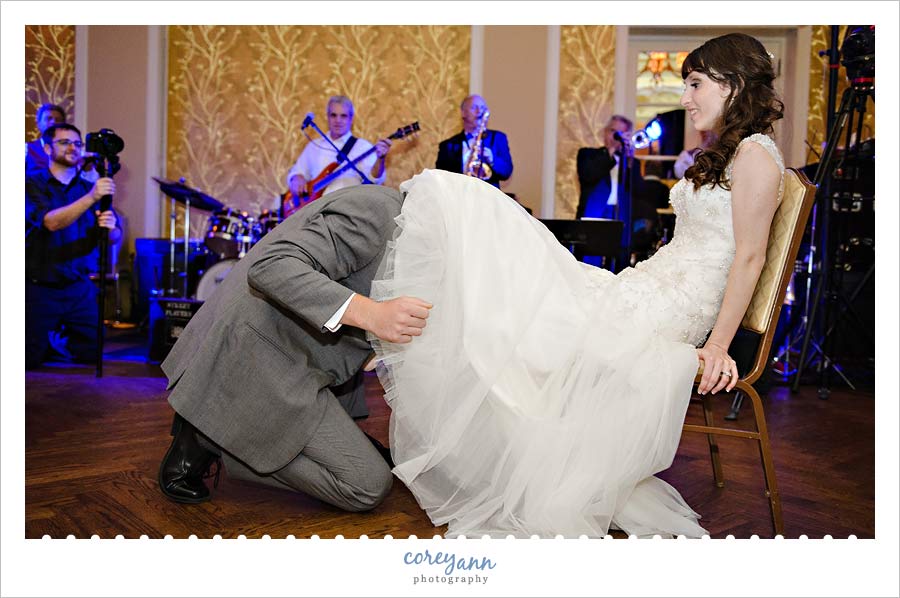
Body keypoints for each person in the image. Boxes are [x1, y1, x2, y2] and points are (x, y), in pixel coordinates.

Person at [369, 33, 785, 538]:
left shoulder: (757, 158)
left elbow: (750, 255)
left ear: (734, 85)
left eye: (695, 84)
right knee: (529, 304)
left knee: (530, 309)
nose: (685, 98)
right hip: (648, 288)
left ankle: (521, 452)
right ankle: (522, 448)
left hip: (671, 312)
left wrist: (718, 345)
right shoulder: (732, 151)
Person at [157, 185, 432, 512]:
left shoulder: (420, 242)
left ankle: (225, 425)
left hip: (311, 356)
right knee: (367, 486)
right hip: (259, 348)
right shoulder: (378, 210)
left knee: (376, 461)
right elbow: (272, 267)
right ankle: (208, 433)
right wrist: (372, 315)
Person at [25, 123, 121, 369]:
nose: (73, 148)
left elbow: (113, 236)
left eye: (77, 143)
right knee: (28, 359)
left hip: (79, 287)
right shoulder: (31, 185)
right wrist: (91, 198)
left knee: (93, 355)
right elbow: (51, 222)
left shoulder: (88, 188)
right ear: (47, 148)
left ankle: (58, 346)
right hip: (40, 286)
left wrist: (111, 229)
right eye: (65, 142)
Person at [284, 95, 393, 209]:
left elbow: (374, 180)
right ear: (327, 117)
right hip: (314, 212)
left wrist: (381, 159)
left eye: (343, 116)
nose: (338, 120)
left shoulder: (363, 147)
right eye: (333, 115)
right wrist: (296, 178)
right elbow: (296, 172)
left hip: (347, 212)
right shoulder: (314, 146)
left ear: (351, 118)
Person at [435, 95, 513, 188]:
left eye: (483, 108)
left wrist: (492, 160)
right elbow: (441, 178)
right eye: (474, 107)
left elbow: (506, 172)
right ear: (463, 113)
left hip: (489, 197)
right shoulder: (447, 145)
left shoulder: (498, 138)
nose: (479, 111)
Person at [26, 103, 66, 174]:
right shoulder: (26, 149)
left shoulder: (71, 150)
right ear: (39, 124)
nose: (53, 122)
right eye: (49, 119)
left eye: (58, 120)